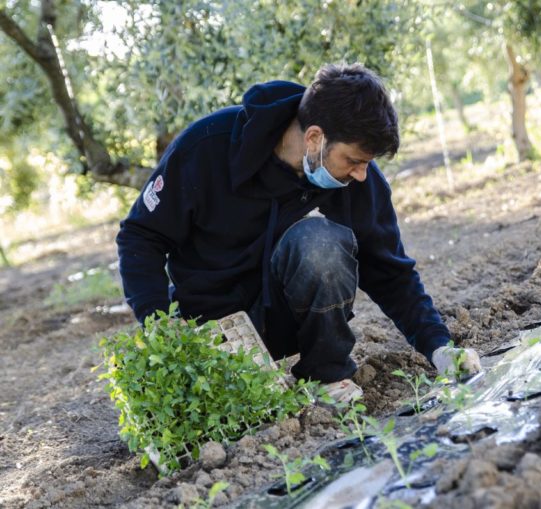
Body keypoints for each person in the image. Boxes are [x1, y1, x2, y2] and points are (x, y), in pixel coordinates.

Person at [116, 63, 480, 402]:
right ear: (314, 137)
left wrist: (439, 346)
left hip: (285, 328)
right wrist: (159, 326)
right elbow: (141, 237)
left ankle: (324, 375)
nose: (361, 174)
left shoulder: (358, 182)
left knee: (319, 243)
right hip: (213, 330)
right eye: (353, 160)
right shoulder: (206, 147)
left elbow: (390, 272)